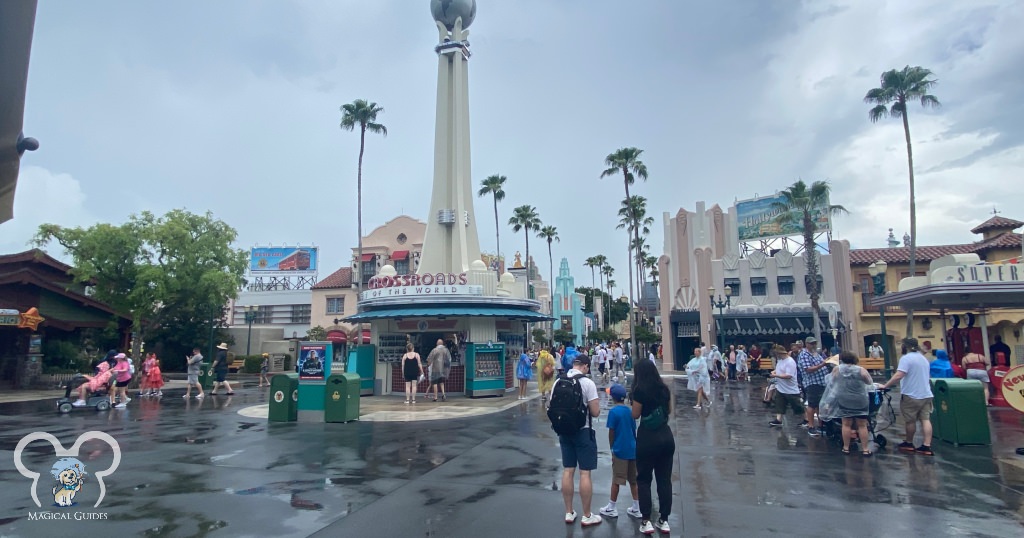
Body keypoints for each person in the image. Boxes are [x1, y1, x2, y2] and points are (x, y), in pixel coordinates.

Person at [550, 354, 602, 527]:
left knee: (568, 470)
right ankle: (587, 515)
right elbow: (595, 412)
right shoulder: (587, 383)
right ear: (586, 366)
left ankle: (569, 512)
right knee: (585, 473)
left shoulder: (558, 381)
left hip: (564, 431)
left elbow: (552, 406)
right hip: (583, 431)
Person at [631, 358, 674, 535]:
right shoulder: (664, 389)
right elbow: (669, 410)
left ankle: (646, 520)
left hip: (647, 437)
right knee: (664, 479)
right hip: (665, 435)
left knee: (644, 479)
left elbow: (635, 414)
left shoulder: (639, 391)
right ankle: (664, 520)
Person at [880, 337, 935, 456]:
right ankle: (926, 445)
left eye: (901, 345)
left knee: (910, 421)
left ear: (906, 346)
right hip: (926, 394)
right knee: (925, 420)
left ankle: (909, 443)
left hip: (911, 394)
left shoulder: (906, 359)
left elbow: (899, 375)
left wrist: (886, 385)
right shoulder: (923, 358)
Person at [599, 383, 642, 520]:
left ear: (613, 397)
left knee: (616, 480)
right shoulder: (630, 411)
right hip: (632, 449)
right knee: (633, 480)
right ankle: (637, 507)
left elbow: (612, 432)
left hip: (620, 449)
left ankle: (612, 507)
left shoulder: (613, 412)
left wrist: (612, 449)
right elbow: (633, 430)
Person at [831, 352, 874, 456]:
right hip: (860, 399)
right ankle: (865, 449)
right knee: (862, 425)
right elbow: (869, 382)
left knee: (846, 424)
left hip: (844, 399)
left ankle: (846, 448)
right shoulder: (861, 369)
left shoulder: (837, 369)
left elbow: (832, 382)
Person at [797, 337, 828, 437]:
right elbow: (808, 369)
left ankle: (820, 425)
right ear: (806, 344)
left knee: (820, 405)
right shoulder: (804, 354)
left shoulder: (816, 353)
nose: (813, 345)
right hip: (812, 383)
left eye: (815, 343)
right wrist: (822, 365)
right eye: (811, 343)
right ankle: (811, 426)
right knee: (812, 405)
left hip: (821, 382)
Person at [769, 345, 803, 427]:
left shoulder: (790, 362)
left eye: (777, 354)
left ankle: (806, 419)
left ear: (780, 353)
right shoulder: (780, 360)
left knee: (797, 405)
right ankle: (778, 419)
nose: (777, 356)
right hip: (781, 387)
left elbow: (789, 375)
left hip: (790, 389)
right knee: (779, 404)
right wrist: (774, 372)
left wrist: (776, 375)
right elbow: (778, 370)